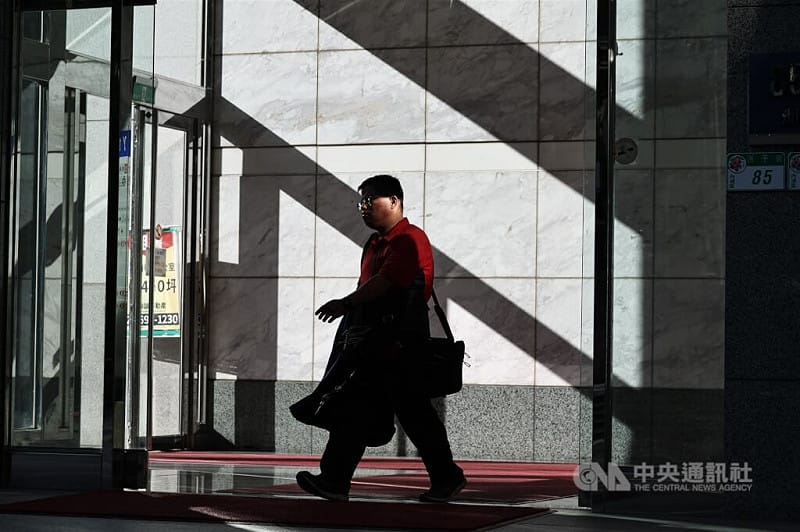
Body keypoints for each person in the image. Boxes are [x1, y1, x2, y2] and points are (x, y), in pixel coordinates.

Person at [292, 174, 466, 503]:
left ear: (394, 201)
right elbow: (369, 289)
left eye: (369, 200)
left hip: (402, 344)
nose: (363, 207)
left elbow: (385, 283)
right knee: (368, 408)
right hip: (377, 343)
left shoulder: (410, 239)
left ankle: (444, 476)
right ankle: (336, 479)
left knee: (409, 413)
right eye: (360, 201)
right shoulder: (374, 244)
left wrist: (345, 304)